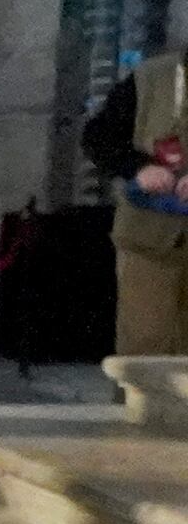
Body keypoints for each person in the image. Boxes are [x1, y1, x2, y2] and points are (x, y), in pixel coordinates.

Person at [89, 49, 187, 356]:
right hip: (149, 240)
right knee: (144, 348)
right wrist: (140, 168)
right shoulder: (148, 79)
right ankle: (138, 405)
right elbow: (98, 137)